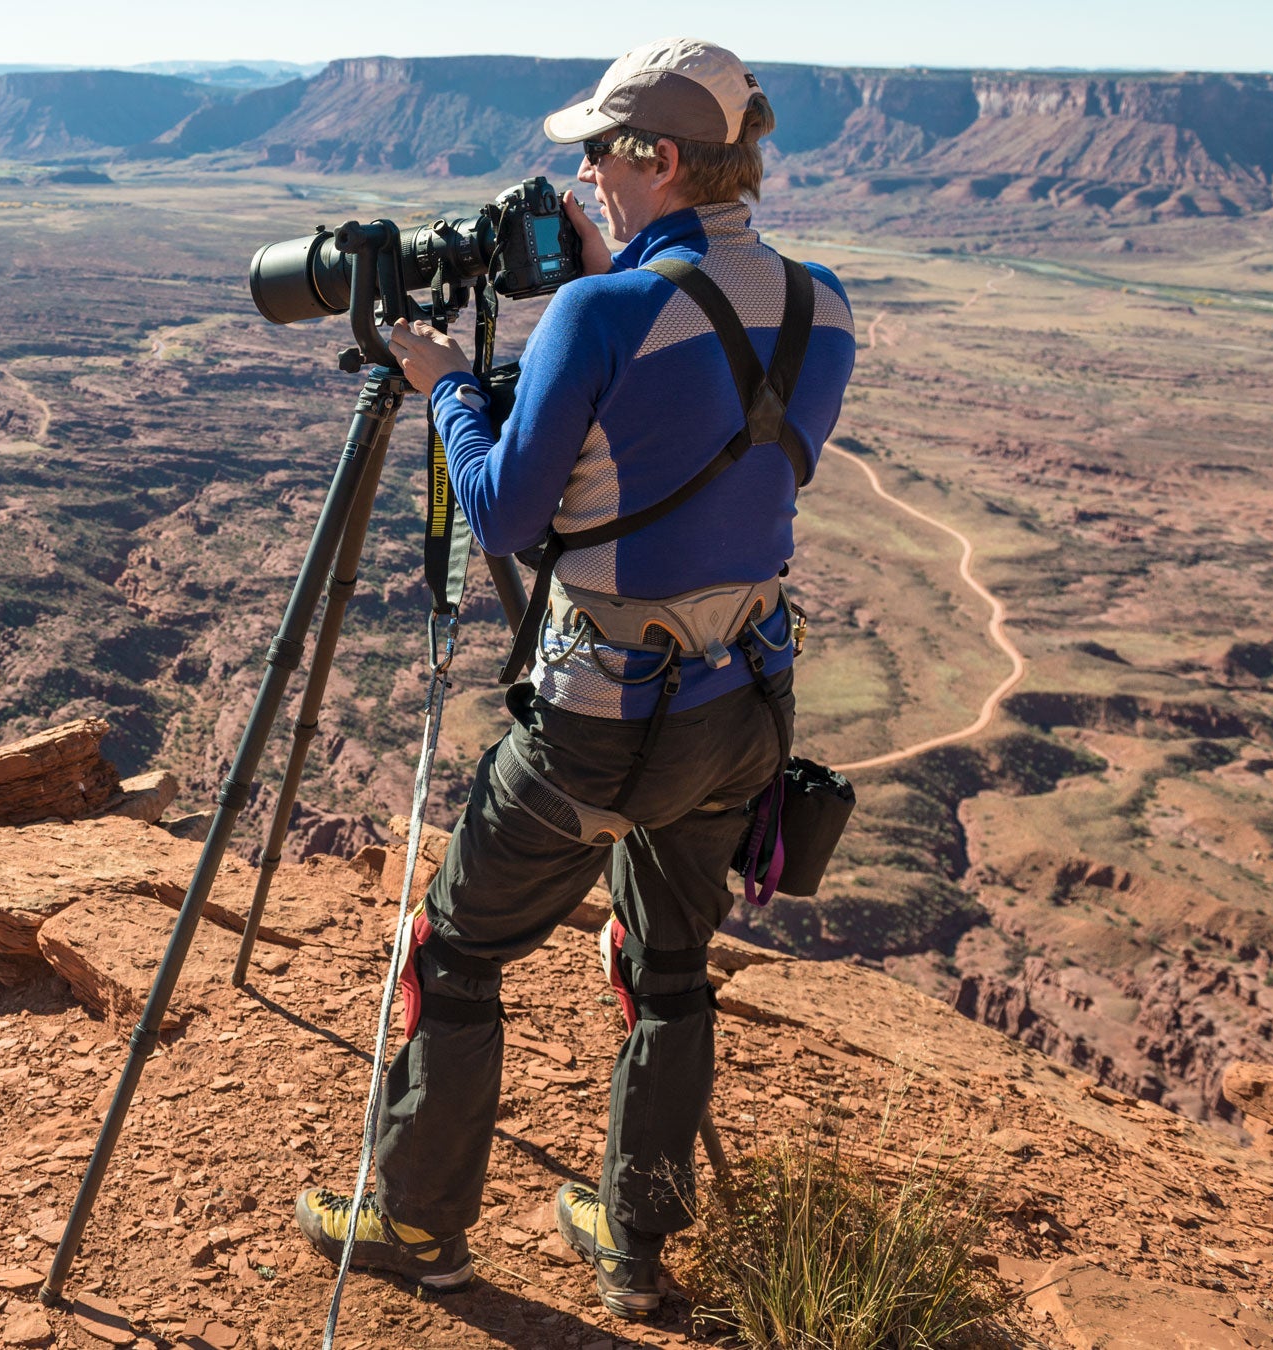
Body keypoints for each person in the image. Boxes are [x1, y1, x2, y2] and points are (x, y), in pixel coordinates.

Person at [293, 37, 858, 1318]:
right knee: (665, 966)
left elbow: (499, 514)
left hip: (602, 723)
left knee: (455, 949)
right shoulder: (823, 305)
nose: (587, 176)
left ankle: (416, 1225)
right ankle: (634, 1245)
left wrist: (441, 383)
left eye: (601, 152)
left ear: (658, 157)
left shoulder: (598, 317)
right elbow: (723, 432)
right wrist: (622, 281)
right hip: (745, 709)